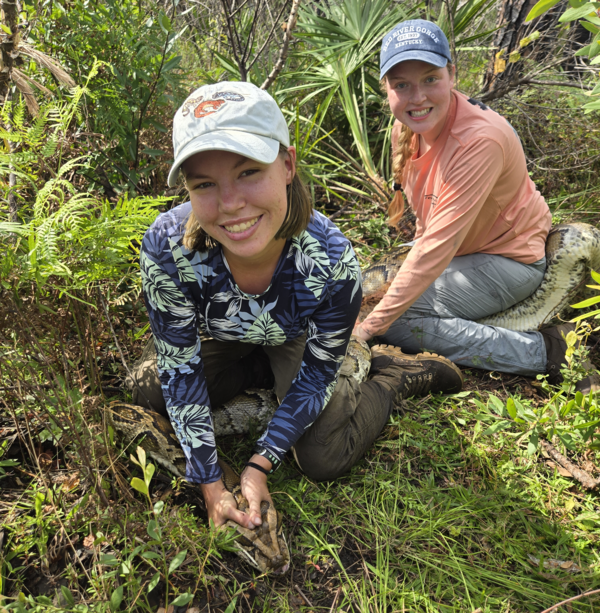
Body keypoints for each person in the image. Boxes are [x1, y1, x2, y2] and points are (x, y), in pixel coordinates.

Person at [134, 81, 463, 533]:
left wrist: (258, 465)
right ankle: (261, 374)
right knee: (148, 388)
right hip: (229, 338)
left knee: (323, 454)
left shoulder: (331, 261)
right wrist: (210, 482)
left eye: (248, 171)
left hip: (298, 340)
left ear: (286, 164)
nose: (230, 205)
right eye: (204, 183)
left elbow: (315, 376)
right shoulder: (166, 249)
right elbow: (179, 365)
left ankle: (391, 379)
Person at [353, 18, 594, 390]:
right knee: (367, 294)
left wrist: (369, 328)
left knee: (393, 319)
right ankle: (462, 328)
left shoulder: (479, 141)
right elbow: (426, 224)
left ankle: (547, 352)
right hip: (464, 254)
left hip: (510, 260)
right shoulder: (410, 126)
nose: (417, 97)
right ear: (387, 89)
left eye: (430, 79)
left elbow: (438, 245)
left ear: (452, 73)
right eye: (402, 85)